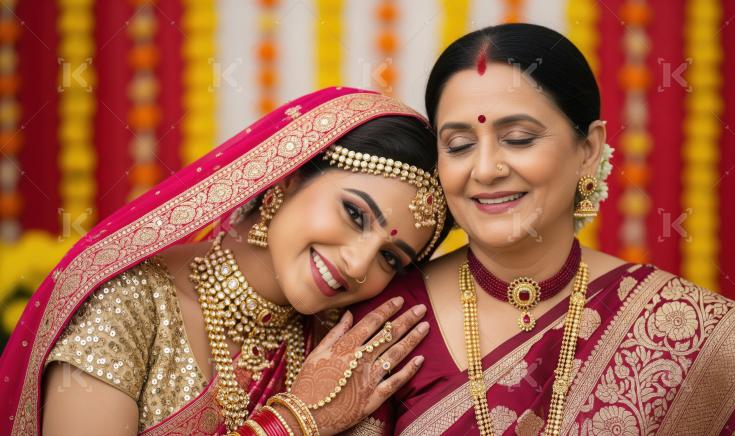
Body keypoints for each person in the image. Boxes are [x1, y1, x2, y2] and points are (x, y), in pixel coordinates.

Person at [348, 24, 735, 435]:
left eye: (519, 138)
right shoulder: (391, 319)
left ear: (588, 149)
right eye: (459, 145)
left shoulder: (680, 326)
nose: (485, 170)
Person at [0, 87, 453, 436]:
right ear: (290, 178)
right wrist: (293, 423)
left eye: (391, 258)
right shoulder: (128, 301)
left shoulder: (340, 350)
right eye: (354, 214)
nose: (358, 265)